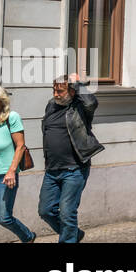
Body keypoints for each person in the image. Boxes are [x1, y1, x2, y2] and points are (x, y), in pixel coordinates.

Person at [38, 73, 103, 243]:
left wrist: (78, 83)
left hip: (74, 169)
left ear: (72, 92)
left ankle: (68, 240)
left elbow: (91, 102)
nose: (56, 94)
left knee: (67, 213)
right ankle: (74, 234)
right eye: (54, 90)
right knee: (45, 211)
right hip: (52, 169)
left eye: (60, 91)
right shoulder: (51, 105)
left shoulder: (80, 108)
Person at [0, 86, 36, 242]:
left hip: (5, 177)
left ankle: (28, 236)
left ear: (2, 102)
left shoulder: (11, 118)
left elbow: (20, 146)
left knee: (3, 217)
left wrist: (12, 171)